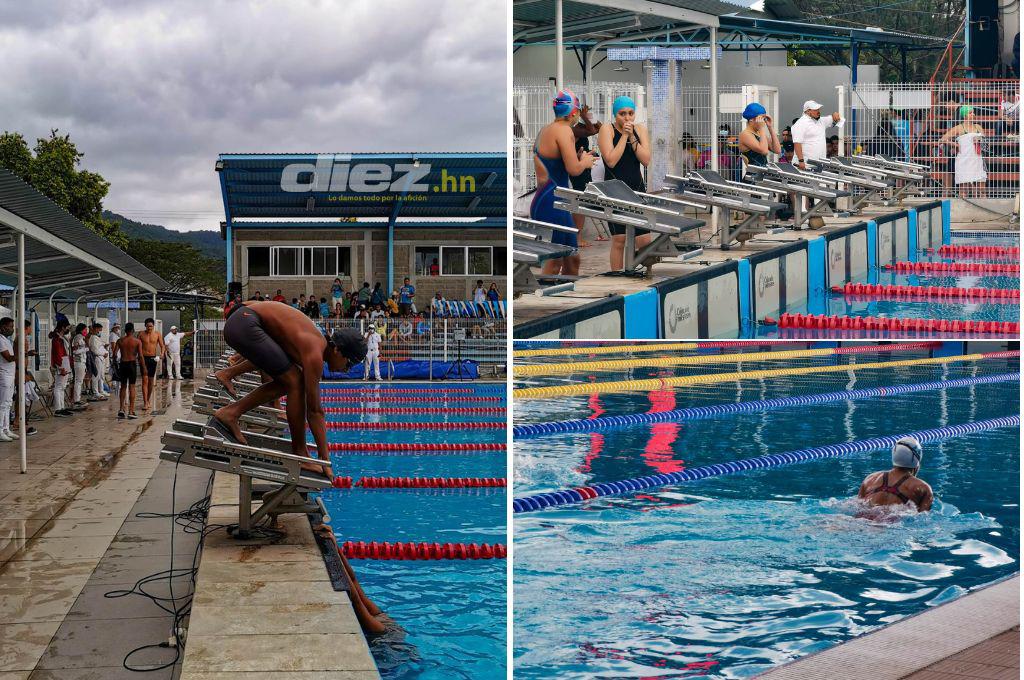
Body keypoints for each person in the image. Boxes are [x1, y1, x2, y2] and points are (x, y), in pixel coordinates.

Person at [210, 301, 366, 476]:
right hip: (245, 324)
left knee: (290, 379)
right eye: (349, 364)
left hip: (243, 322)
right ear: (337, 350)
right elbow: (314, 411)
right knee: (295, 382)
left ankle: (230, 410)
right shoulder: (315, 352)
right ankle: (299, 452)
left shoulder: (313, 343)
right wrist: (325, 461)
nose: (347, 370)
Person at [531, 89, 597, 277]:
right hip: (551, 202)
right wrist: (584, 161)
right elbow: (574, 169)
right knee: (555, 261)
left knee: (572, 259)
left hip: (552, 201)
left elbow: (554, 162)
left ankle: (567, 298)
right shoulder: (564, 131)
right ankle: (545, 305)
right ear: (574, 113)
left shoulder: (546, 129)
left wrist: (577, 158)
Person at [599, 95, 652, 272]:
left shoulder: (640, 130)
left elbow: (646, 160)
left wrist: (632, 138)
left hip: (636, 189)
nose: (627, 118)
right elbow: (611, 160)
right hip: (613, 190)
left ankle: (646, 274)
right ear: (615, 115)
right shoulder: (607, 130)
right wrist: (623, 136)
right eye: (622, 114)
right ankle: (617, 276)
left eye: (630, 113)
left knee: (644, 239)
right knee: (619, 238)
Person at [857, 437, 933, 512]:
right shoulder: (923, 488)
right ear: (917, 461)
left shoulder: (870, 479)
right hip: (892, 522)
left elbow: (858, 508)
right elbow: (923, 519)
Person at [939, 106, 987, 198]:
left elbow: (985, 144)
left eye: (973, 112)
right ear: (964, 115)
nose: (973, 114)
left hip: (977, 160)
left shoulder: (978, 127)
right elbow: (943, 139)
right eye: (970, 113)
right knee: (963, 191)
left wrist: (980, 140)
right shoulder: (959, 128)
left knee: (982, 190)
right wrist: (956, 145)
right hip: (964, 160)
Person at [570, 104, 601, 245]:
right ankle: (576, 238)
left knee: (581, 205)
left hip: (584, 170)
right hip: (578, 172)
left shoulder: (581, 130)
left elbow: (595, 129)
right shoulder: (574, 130)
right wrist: (584, 117)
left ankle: (578, 237)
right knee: (579, 204)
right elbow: (592, 130)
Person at [791, 100, 843, 169]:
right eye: (815, 110)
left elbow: (834, 118)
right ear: (808, 111)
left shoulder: (821, 121)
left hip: (819, 164)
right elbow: (797, 143)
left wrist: (835, 114)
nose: (818, 111)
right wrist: (801, 161)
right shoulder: (800, 123)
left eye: (818, 109)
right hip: (806, 164)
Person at [738, 102, 780, 174]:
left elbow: (777, 150)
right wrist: (761, 128)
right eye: (761, 118)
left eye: (764, 118)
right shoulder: (745, 134)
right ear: (751, 119)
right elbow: (764, 151)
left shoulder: (759, 133)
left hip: (763, 176)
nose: (763, 121)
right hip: (752, 178)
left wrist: (770, 127)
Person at [115, 322, 144, 419]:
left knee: (123, 387)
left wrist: (115, 367)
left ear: (125, 330)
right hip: (132, 364)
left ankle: (121, 409)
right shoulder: (137, 341)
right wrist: (143, 367)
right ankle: (131, 410)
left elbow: (114, 355)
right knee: (132, 387)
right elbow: (140, 356)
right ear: (133, 330)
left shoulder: (120, 341)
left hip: (123, 364)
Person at [137, 318, 165, 414]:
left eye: (151, 326)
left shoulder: (157, 334)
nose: (149, 328)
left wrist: (162, 353)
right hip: (143, 358)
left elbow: (162, 345)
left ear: (153, 326)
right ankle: (145, 402)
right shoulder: (141, 334)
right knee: (144, 380)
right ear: (145, 326)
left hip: (153, 359)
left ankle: (148, 399)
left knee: (150, 381)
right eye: (148, 326)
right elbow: (137, 345)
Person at [49, 319, 72, 417]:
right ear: (63, 327)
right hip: (61, 363)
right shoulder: (57, 339)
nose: (68, 329)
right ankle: (58, 409)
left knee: (62, 387)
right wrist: (60, 366)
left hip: (65, 362)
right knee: (58, 387)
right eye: (67, 327)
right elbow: (57, 354)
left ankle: (61, 407)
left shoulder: (61, 338)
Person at [0, 317, 17, 441]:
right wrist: (22, 354)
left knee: (8, 403)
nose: (12, 329)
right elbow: (8, 358)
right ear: (3, 327)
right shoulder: (0, 340)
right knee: (2, 404)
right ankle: (0, 430)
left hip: (10, 374)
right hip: (4, 375)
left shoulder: (6, 340)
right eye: (10, 327)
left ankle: (6, 429)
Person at [70, 323, 89, 409]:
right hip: (79, 362)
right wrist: (86, 349)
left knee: (79, 381)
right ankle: (76, 400)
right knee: (78, 381)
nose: (86, 331)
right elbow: (75, 351)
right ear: (81, 330)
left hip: (81, 362)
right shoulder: (78, 338)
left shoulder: (81, 337)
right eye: (85, 329)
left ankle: (78, 399)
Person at [87, 323, 109, 399]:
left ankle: (101, 390)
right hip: (97, 358)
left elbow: (100, 345)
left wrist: (104, 347)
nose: (100, 331)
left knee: (101, 375)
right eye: (99, 329)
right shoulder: (93, 338)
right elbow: (94, 350)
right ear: (95, 329)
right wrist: (103, 354)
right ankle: (95, 391)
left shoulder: (96, 337)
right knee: (96, 375)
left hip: (101, 358)